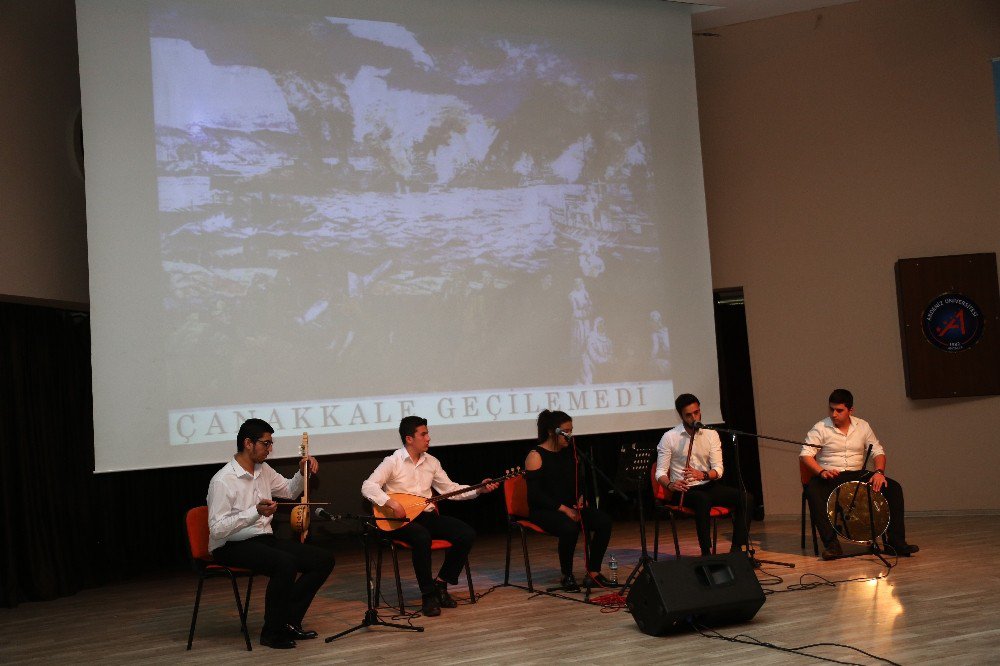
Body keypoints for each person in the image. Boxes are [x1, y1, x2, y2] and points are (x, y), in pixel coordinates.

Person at [207, 419, 335, 649]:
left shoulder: (262, 470)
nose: (270, 449)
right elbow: (217, 529)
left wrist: (302, 471)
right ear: (248, 443)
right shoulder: (223, 481)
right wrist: (254, 512)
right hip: (230, 545)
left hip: (263, 540)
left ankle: (287, 621)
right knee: (284, 563)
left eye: (270, 444)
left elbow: (289, 490)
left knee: (322, 560)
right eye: (266, 444)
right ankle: (271, 633)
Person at [361, 416, 499, 617]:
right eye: (423, 434)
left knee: (465, 533)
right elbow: (368, 486)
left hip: (424, 516)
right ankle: (428, 595)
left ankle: (441, 584)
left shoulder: (432, 462)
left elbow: (450, 490)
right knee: (421, 537)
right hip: (399, 521)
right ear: (409, 439)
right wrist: (391, 503)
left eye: (427, 433)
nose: (428, 438)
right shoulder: (393, 461)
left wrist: (479, 489)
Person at [801, 389, 918, 560]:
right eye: (831, 409)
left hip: (858, 473)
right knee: (813, 491)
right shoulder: (820, 427)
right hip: (831, 475)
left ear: (850, 410)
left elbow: (878, 452)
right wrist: (821, 471)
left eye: (839, 410)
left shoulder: (863, 426)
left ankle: (895, 544)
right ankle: (832, 545)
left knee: (893, 488)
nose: (834, 414)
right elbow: (805, 454)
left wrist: (879, 472)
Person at [525, 410, 614, 591]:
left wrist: (582, 497)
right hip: (545, 510)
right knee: (569, 527)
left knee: (604, 521)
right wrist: (564, 509)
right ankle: (567, 575)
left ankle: (593, 573)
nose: (569, 435)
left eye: (571, 430)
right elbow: (535, 495)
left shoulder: (570, 452)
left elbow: (579, 482)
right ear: (552, 432)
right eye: (566, 431)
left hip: (571, 507)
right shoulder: (536, 455)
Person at [655, 394, 753, 556]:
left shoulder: (711, 434)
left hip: (708, 485)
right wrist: (671, 485)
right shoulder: (669, 437)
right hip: (684, 491)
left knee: (746, 498)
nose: (694, 418)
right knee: (702, 500)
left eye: (696, 412)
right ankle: (706, 552)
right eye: (688, 415)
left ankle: (737, 550)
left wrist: (704, 475)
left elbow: (718, 469)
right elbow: (660, 472)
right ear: (681, 416)